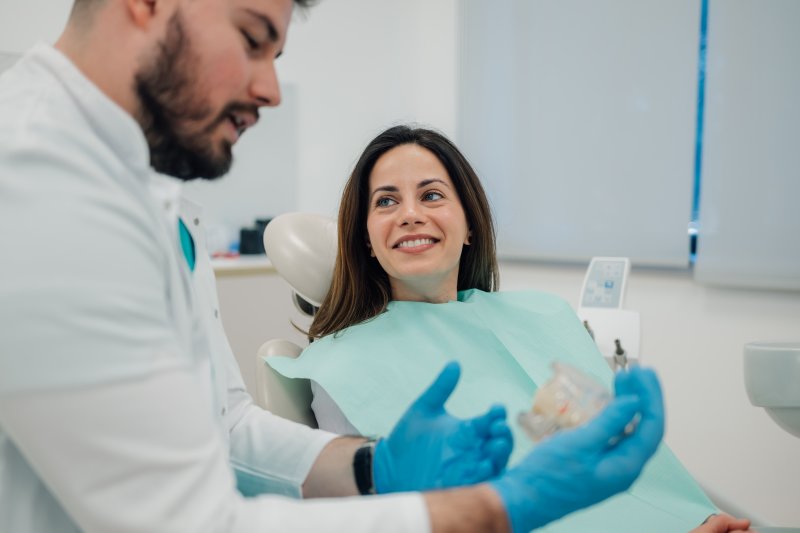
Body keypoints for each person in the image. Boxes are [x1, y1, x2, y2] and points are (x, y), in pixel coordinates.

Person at [0, 1, 664, 532]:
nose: (271, 89)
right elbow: (189, 521)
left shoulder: (157, 196)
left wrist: (372, 465)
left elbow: (224, 425)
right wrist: (496, 508)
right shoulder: (38, 181)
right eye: (253, 38)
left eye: (434, 195)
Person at [268, 125, 755, 533]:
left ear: (470, 223)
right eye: (386, 201)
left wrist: (689, 521)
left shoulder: (541, 317)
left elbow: (612, 457)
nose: (410, 214)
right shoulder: (342, 363)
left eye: (432, 195)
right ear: (368, 241)